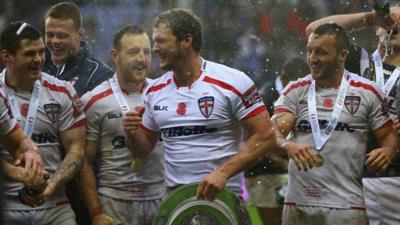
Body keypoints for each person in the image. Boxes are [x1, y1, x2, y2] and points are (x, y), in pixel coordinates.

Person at [123, 8, 278, 202]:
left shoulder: (233, 82)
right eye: (155, 41)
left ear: (187, 41)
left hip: (223, 196)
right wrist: (132, 132)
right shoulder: (154, 91)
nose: (154, 48)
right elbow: (142, 150)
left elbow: (266, 136)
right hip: (176, 198)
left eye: (161, 41)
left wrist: (223, 173)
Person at [272, 23, 399, 225]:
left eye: (320, 52)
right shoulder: (295, 90)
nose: (312, 59)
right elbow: (274, 132)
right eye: (309, 51)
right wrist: (287, 144)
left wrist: (389, 151)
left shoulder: (367, 92)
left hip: (347, 204)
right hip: (298, 203)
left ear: (342, 55)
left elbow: (389, 138)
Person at [305, 6, 400, 224]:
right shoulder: (357, 60)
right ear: (378, 29)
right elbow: (314, 30)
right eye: (391, 19)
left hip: (395, 177)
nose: (395, 24)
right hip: (347, 176)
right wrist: (371, 17)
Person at [0, 21, 86, 225]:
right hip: (6, 207)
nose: (38, 59)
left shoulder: (62, 92)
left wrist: (52, 184)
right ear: (7, 56)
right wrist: (19, 174)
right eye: (30, 53)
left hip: (55, 206)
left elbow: (76, 148)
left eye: (41, 52)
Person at [79, 25, 165, 225]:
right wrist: (96, 213)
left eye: (147, 52)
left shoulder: (164, 93)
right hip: (116, 202)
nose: (142, 59)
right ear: (115, 55)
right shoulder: (94, 100)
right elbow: (84, 162)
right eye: (133, 52)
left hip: (161, 199)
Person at [245, 57, 309, 225]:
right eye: (297, 82)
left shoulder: (301, 94)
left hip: (288, 169)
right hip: (264, 172)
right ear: (285, 78)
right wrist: (280, 161)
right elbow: (253, 138)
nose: (301, 86)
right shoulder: (265, 97)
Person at [43, 2, 113, 97]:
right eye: (50, 35)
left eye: (62, 36)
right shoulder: (36, 66)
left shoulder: (98, 75)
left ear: (80, 34)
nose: (54, 41)